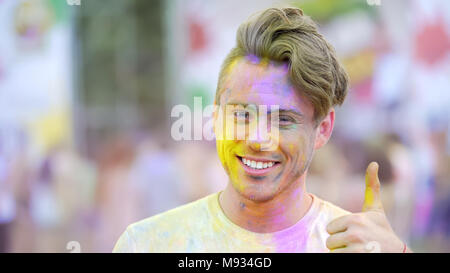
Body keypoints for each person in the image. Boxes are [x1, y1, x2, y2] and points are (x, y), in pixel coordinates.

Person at [113, 7, 411, 253]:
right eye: (242, 114)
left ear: (322, 129)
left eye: (283, 119)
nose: (257, 138)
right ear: (215, 119)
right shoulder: (148, 245)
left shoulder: (357, 247)